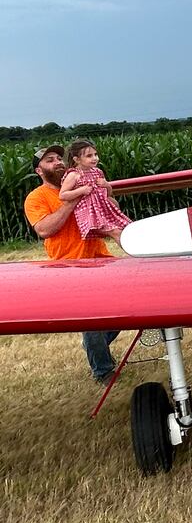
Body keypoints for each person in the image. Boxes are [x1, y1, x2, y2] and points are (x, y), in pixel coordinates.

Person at [24, 144, 120, 385]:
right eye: (49, 160)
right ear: (39, 171)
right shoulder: (36, 198)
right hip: (70, 267)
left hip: (100, 258)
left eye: (59, 158)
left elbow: (112, 210)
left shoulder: (84, 180)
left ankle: (93, 342)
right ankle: (104, 371)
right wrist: (73, 198)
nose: (57, 162)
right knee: (92, 319)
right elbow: (45, 229)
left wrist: (106, 193)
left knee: (122, 310)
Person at [60, 139, 131, 246]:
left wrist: (106, 185)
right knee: (116, 232)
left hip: (104, 209)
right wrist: (81, 190)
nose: (95, 158)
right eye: (89, 156)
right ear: (77, 159)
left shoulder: (98, 172)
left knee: (126, 228)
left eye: (95, 154)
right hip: (89, 213)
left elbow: (108, 193)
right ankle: (135, 254)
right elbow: (63, 195)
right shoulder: (74, 175)